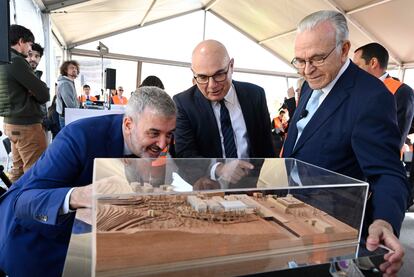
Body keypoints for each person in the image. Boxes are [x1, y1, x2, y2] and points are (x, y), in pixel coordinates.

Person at [282, 10, 410, 276]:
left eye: (317, 58)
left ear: (344, 49)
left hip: (334, 233)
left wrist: (384, 220)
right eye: (300, 61)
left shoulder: (370, 96)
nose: (307, 70)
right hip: (292, 222)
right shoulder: (309, 85)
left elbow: (387, 171)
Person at [0, 86, 176, 276]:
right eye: (154, 133)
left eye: (169, 134)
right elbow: (24, 202)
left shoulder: (159, 144)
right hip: (35, 244)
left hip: (94, 242)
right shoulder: (78, 137)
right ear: (128, 125)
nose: (163, 144)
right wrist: (81, 195)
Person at [173, 40, 275, 184]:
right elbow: (185, 154)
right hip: (208, 189)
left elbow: (266, 147)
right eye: (202, 77)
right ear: (193, 74)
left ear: (231, 66)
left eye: (219, 74)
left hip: (251, 187)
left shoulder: (255, 95)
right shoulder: (183, 103)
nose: (212, 85)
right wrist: (220, 169)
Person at [0, 25, 49, 183]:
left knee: (19, 170)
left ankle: (13, 205)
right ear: (21, 42)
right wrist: (35, 91)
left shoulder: (3, 59)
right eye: (29, 44)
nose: (30, 49)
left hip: (10, 123)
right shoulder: (17, 62)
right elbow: (43, 93)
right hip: (26, 125)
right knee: (37, 172)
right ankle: (33, 206)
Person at [353, 42, 414, 149]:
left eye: (357, 65)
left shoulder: (401, 91)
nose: (354, 70)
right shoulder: (357, 88)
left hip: (376, 159)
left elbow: (397, 136)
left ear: (373, 63)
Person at [56, 60, 80, 129]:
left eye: (75, 68)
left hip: (67, 115)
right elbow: (69, 104)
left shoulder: (69, 82)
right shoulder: (65, 83)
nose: (74, 70)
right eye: (72, 68)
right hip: (67, 117)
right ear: (66, 70)